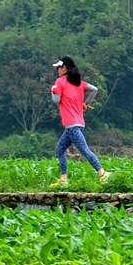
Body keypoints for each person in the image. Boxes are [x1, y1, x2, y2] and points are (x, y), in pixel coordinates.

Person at [49, 56, 110, 187]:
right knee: (60, 149)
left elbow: (55, 100)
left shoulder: (60, 82)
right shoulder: (79, 83)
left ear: (64, 68)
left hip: (72, 125)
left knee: (84, 150)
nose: (57, 70)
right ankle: (64, 181)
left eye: (58, 68)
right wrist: (87, 104)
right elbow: (94, 89)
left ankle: (103, 174)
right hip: (78, 124)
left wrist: (53, 90)